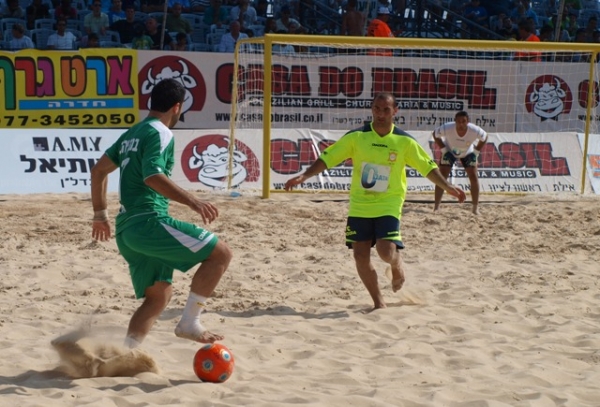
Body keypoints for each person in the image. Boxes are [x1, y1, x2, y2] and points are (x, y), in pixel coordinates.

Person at [284, 93, 466, 310]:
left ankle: (397, 263)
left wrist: (447, 186)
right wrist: (305, 176)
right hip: (360, 203)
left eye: (386, 110)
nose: (380, 114)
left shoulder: (404, 141)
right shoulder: (357, 137)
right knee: (360, 256)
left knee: (385, 251)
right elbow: (328, 158)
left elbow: (427, 167)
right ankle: (379, 303)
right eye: (376, 109)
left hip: (389, 201)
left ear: (395, 111)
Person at [90, 78, 233, 348]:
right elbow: (152, 176)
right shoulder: (161, 132)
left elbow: (98, 170)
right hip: (149, 222)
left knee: (159, 296)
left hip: (126, 230)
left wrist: (100, 215)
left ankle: (127, 355)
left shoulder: (133, 133)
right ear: (177, 107)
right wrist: (193, 202)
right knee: (221, 254)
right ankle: (189, 322)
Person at [432, 111, 487, 215]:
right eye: (458, 121)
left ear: (468, 121)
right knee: (441, 177)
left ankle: (475, 209)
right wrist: (444, 150)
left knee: (474, 176)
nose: (461, 124)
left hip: (468, 152)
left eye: (463, 121)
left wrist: (476, 153)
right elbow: (435, 134)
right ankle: (436, 208)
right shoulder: (448, 127)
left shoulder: (474, 130)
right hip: (449, 151)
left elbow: (485, 137)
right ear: (455, 121)